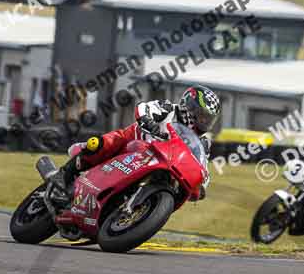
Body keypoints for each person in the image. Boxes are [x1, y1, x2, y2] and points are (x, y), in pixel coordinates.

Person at [48, 85, 222, 201]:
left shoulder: (202, 142)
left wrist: (201, 186)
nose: (204, 122)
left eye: (208, 119)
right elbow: (143, 108)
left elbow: (202, 168)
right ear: (188, 106)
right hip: (130, 143)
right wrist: (149, 122)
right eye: (202, 115)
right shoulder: (169, 109)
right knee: (97, 144)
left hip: (157, 163)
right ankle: (62, 175)